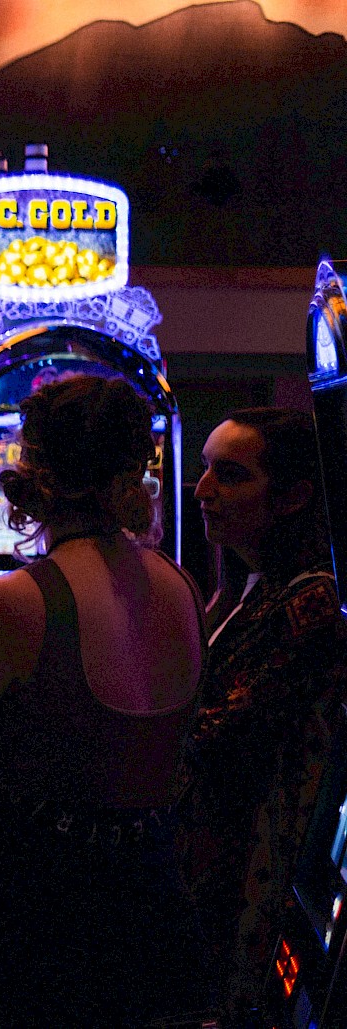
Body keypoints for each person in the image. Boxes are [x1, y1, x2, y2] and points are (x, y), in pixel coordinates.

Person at [0, 374, 209, 1027]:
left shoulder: (12, 602)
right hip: (154, 900)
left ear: (34, 467)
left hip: (35, 912)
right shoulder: (182, 586)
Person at [175, 408, 346, 1026]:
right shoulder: (251, 582)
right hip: (222, 860)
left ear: (296, 494)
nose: (202, 491)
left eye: (231, 475)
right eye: (204, 470)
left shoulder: (311, 597)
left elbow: (214, 738)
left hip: (259, 875)